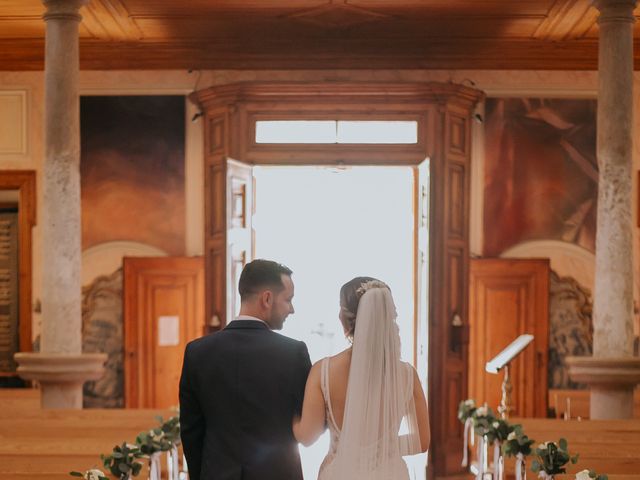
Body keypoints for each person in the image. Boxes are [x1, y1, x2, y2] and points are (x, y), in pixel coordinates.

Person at [179, 259, 312, 480]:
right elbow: (307, 421)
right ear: (267, 298)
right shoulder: (293, 353)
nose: (292, 309)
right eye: (288, 300)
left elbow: (191, 431)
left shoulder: (197, 352)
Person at [293, 277, 430, 480]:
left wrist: (284, 419)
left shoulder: (323, 371)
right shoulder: (407, 375)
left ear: (345, 317)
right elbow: (421, 442)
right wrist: (383, 450)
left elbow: (307, 437)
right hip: (389, 474)